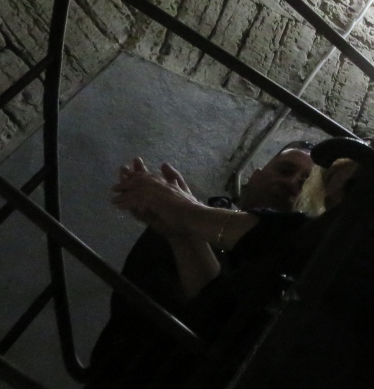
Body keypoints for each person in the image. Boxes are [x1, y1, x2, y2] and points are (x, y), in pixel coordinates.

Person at [107, 155, 374, 389]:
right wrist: (182, 235)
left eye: (361, 191)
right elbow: (225, 318)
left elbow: (310, 240)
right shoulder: (316, 277)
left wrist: (188, 213)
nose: (344, 210)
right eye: (332, 201)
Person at [86, 143, 314, 388]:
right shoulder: (177, 220)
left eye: (305, 184)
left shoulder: (287, 277)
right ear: (254, 176)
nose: (292, 183)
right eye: (285, 170)